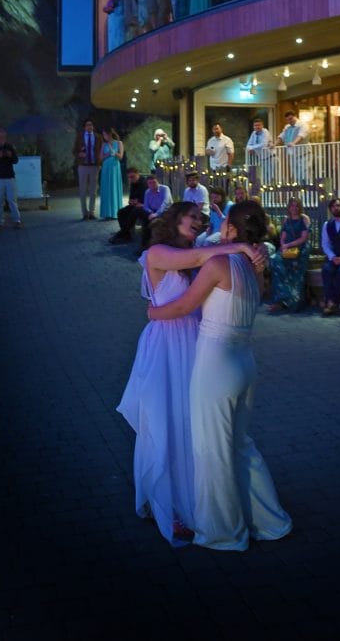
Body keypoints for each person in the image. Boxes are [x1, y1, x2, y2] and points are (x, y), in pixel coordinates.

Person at [117, 201, 266, 547]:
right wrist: (242, 245)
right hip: (167, 345)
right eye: (192, 217)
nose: (199, 222)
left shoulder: (200, 252)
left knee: (192, 426)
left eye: (202, 219)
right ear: (174, 219)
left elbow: (210, 259)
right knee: (165, 420)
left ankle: (198, 502)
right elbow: (201, 261)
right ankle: (169, 506)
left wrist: (253, 252)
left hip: (196, 344)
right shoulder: (158, 253)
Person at [146, 200, 292, 551]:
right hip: (245, 363)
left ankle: (223, 533)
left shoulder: (218, 264)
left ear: (231, 229)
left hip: (216, 365)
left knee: (212, 451)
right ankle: (272, 522)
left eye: (224, 223)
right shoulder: (256, 267)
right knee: (242, 446)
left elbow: (184, 306)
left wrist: (153, 312)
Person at [268, 196, 311, 313]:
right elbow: (283, 236)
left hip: (299, 248)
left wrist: (288, 245)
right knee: (275, 261)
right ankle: (281, 299)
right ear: (289, 207)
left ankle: (292, 300)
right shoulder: (287, 220)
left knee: (292, 266)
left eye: (297, 206)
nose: (294, 208)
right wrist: (283, 245)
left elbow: (303, 238)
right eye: (292, 205)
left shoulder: (304, 219)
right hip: (288, 248)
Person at [0, 127, 22, 229]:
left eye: (3, 137)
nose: (1, 138)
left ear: (5, 137)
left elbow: (15, 160)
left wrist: (11, 155)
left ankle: (17, 220)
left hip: (9, 177)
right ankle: (0, 222)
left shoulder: (9, 147)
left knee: (12, 200)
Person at [110, 167, 149, 244]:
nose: (131, 179)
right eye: (129, 177)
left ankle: (122, 233)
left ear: (138, 174)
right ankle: (126, 234)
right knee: (121, 212)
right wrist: (134, 201)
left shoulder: (144, 183)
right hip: (136, 205)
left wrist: (134, 201)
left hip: (144, 206)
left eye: (132, 177)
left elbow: (143, 199)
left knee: (132, 213)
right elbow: (131, 199)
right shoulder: (133, 183)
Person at [73, 117, 101, 220]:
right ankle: (84, 213)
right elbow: (74, 150)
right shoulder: (80, 136)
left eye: (91, 125)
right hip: (83, 166)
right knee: (83, 190)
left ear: (93, 126)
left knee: (93, 190)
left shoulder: (98, 137)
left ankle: (92, 212)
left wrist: (100, 162)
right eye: (87, 125)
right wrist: (78, 154)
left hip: (94, 166)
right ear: (84, 127)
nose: (89, 127)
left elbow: (101, 150)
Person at [136, 173, 174, 251]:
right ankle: (145, 245)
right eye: (150, 183)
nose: (152, 184)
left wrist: (156, 214)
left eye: (154, 182)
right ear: (147, 184)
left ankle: (146, 245)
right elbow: (146, 206)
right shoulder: (147, 192)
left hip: (165, 212)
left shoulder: (165, 189)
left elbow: (165, 203)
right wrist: (151, 213)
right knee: (139, 212)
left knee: (148, 221)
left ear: (158, 182)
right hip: (153, 212)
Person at [99, 127, 125, 220]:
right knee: (106, 188)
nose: (104, 136)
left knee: (114, 187)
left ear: (109, 134)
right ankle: (107, 213)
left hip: (114, 168)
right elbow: (101, 158)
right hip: (106, 168)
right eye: (103, 135)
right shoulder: (103, 144)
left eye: (105, 134)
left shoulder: (119, 143)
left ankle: (115, 212)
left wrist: (114, 153)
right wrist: (108, 154)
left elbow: (121, 157)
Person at [277, 109, 309, 183]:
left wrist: (293, 143)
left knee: (305, 174)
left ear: (295, 116)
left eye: (291, 119)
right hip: (292, 155)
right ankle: (300, 193)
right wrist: (274, 144)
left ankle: (307, 193)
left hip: (303, 154)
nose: (289, 121)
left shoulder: (303, 125)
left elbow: (301, 136)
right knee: (296, 175)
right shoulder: (287, 126)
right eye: (287, 120)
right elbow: (281, 136)